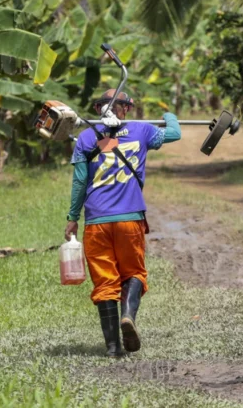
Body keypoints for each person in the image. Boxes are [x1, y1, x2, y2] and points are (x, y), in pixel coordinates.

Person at [64, 89, 181, 357]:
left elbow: (80, 182)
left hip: (96, 222)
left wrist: (72, 218)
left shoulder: (85, 138)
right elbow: (174, 134)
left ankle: (113, 348)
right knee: (134, 274)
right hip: (130, 220)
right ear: (125, 109)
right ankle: (128, 315)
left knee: (105, 283)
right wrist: (170, 116)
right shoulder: (143, 130)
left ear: (98, 110)